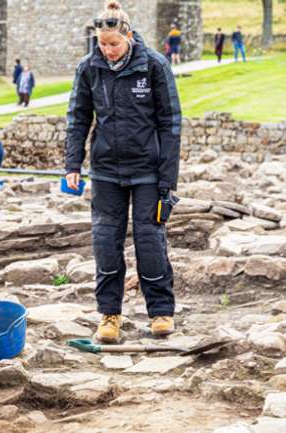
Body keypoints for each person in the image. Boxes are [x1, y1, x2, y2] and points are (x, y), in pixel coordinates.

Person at [64, 0, 181, 343]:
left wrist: (167, 180)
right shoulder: (89, 68)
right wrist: (72, 164)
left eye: (113, 44)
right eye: (102, 43)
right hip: (105, 171)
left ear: (128, 36)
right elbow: (78, 118)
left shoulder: (155, 66)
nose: (108, 50)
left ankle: (160, 312)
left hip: (148, 170)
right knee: (105, 242)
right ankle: (109, 315)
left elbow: (171, 123)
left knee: (149, 240)